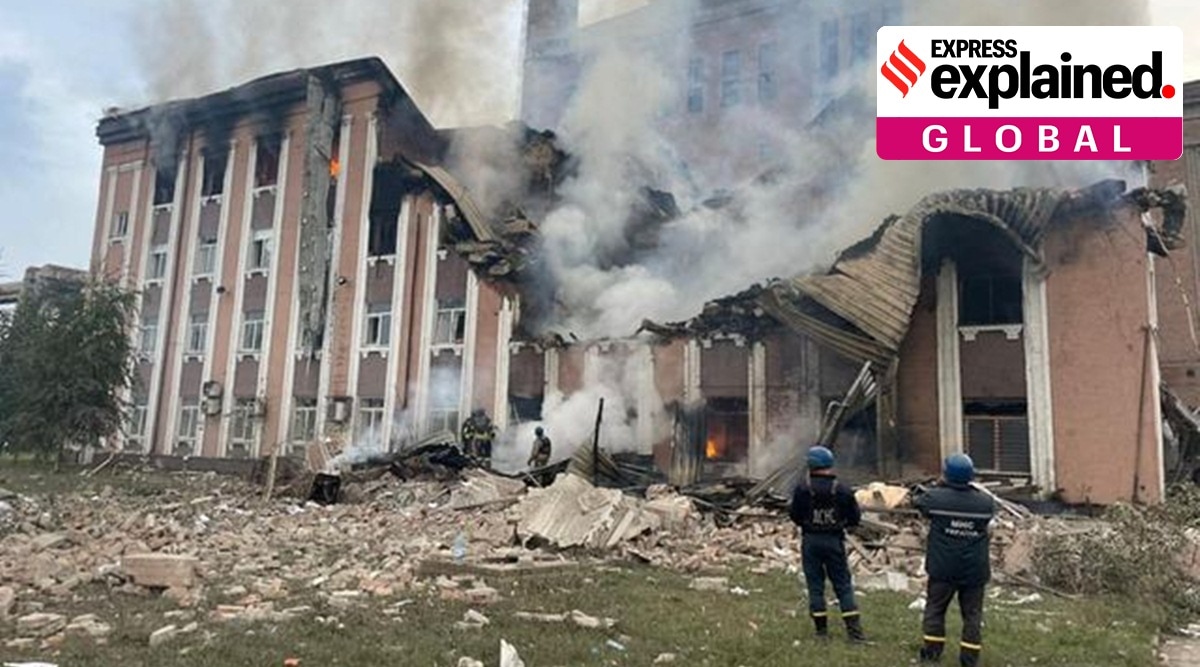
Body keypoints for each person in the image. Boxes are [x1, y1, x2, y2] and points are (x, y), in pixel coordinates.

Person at [913, 453, 997, 667]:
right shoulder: (985, 502)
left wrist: (939, 486)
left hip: (943, 568)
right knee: (972, 615)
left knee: (935, 609)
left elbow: (917, 501)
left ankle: (931, 654)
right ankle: (969, 660)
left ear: (946, 474)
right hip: (974, 569)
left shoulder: (935, 498)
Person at [789, 445, 866, 643]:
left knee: (815, 587)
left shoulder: (802, 489)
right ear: (830, 463)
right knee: (843, 586)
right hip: (834, 541)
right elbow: (855, 518)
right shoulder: (842, 489)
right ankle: (855, 634)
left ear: (810, 465)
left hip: (811, 542)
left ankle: (821, 633)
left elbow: (795, 516)